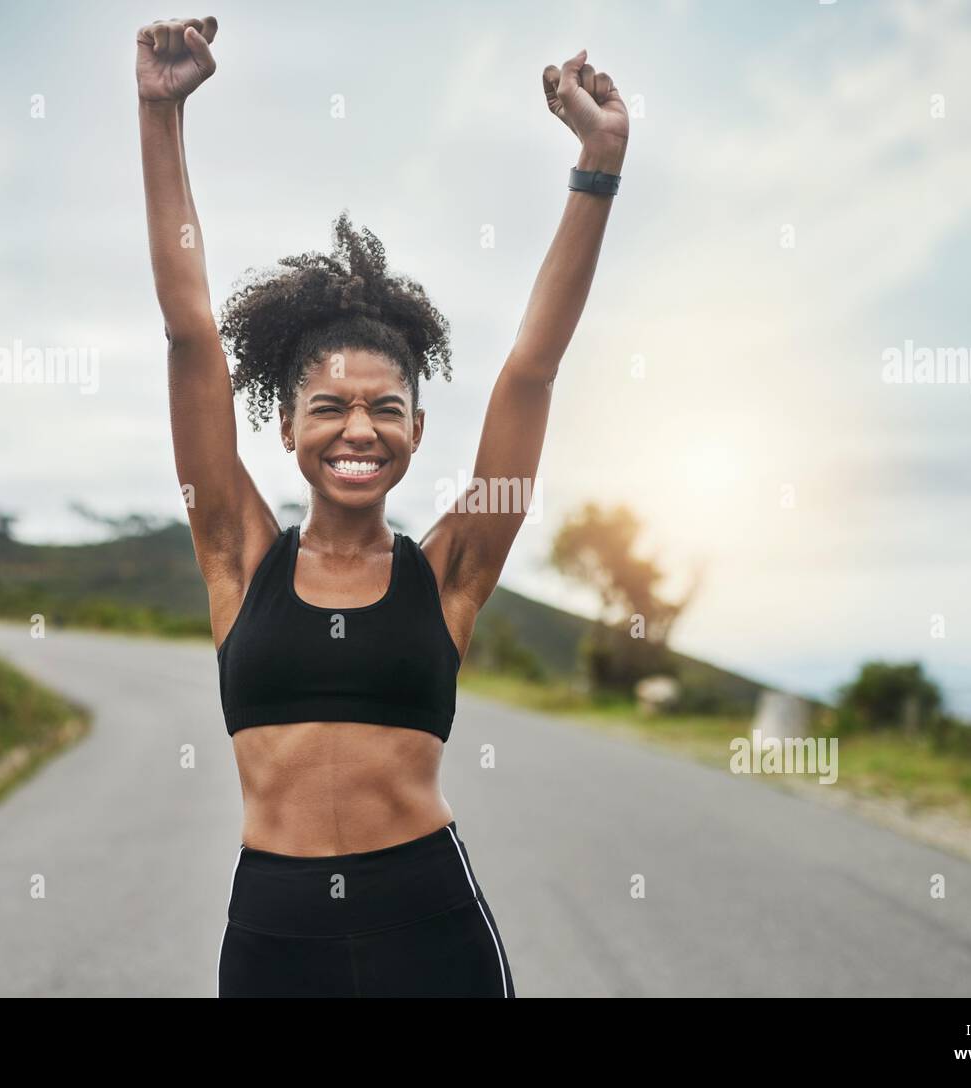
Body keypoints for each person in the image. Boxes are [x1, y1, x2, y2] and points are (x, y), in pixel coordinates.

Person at [135, 15, 628, 997]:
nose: (358, 428)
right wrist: (160, 114)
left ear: (415, 426)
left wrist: (597, 165)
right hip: (274, 937)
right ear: (284, 426)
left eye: (384, 407)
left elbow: (530, 370)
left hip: (427, 924)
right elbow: (192, 330)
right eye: (329, 405)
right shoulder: (236, 553)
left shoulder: (451, 570)